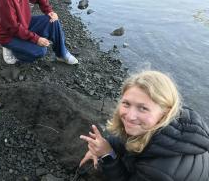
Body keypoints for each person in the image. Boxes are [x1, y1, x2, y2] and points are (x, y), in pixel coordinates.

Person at [79, 70, 209, 181]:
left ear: (166, 111)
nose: (130, 116)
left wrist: (108, 155)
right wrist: (105, 143)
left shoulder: (158, 170)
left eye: (143, 108)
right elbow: (125, 138)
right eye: (126, 104)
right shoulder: (172, 120)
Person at [0, 0, 79, 65]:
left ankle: (62, 54)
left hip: (24, 24)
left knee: (53, 20)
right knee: (40, 51)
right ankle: (13, 51)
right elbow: (13, 27)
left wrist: (49, 11)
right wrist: (36, 39)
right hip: (9, 35)